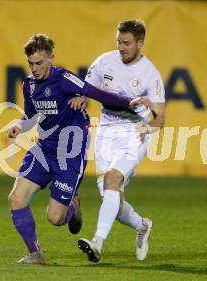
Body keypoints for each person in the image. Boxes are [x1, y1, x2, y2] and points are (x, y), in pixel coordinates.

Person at [7, 33, 151, 264]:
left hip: (70, 154)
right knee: (16, 199)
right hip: (44, 149)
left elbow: (96, 93)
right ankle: (36, 254)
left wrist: (128, 102)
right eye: (30, 63)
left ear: (51, 58)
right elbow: (30, 116)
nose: (34, 68)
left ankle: (72, 206)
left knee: (54, 218)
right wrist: (19, 125)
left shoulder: (63, 78)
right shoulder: (29, 85)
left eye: (39, 63)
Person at [75, 19, 166, 262]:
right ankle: (142, 225)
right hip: (106, 131)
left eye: (126, 43)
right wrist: (82, 99)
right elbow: (86, 91)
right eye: (119, 42)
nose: (121, 47)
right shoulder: (104, 62)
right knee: (111, 197)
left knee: (113, 180)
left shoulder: (150, 75)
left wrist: (149, 127)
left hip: (134, 133)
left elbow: (160, 119)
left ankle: (97, 243)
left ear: (140, 43)